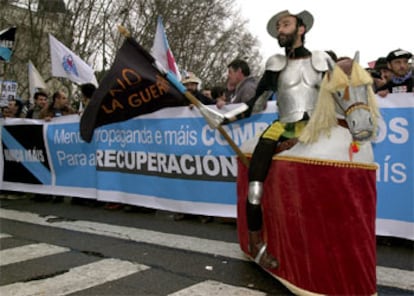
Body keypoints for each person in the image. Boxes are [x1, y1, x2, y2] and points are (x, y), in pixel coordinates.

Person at [226, 10, 332, 270]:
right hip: (282, 127)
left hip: (315, 127)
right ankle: (256, 244)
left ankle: (323, 248)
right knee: (255, 187)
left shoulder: (323, 60)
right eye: (278, 26)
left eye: (286, 24)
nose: (280, 30)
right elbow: (254, 105)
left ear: (301, 28)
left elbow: (339, 99)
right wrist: (222, 119)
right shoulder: (275, 64)